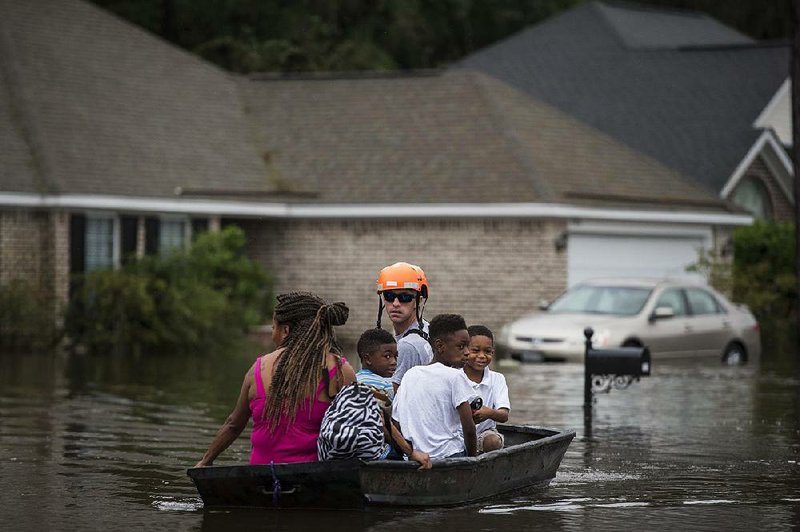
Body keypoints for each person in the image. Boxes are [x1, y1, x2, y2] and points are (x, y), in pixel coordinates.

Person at [195, 291, 356, 467]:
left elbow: (233, 425)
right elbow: (358, 426)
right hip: (313, 479)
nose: (273, 335)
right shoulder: (342, 372)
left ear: (285, 330)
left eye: (273, 328)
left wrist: (205, 461)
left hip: (260, 478)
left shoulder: (257, 370)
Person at [392, 314, 478, 459]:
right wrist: (473, 459)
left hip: (415, 459)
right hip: (450, 456)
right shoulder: (455, 376)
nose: (467, 352)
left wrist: (409, 454)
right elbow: (469, 429)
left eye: (467, 347)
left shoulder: (410, 375)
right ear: (439, 346)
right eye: (461, 346)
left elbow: (396, 423)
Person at [374, 262, 434, 392]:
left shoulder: (407, 345)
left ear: (419, 300)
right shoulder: (428, 329)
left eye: (404, 297)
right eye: (389, 296)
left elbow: (394, 399)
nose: (395, 303)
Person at [464, 325, 510, 454]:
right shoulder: (455, 376)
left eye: (487, 351)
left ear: (493, 353)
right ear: (465, 350)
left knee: (492, 441)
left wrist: (489, 413)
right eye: (476, 350)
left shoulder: (497, 379)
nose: (482, 356)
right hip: (457, 435)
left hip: (483, 434)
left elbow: (504, 415)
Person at [355, 328, 397, 406]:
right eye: (387, 356)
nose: (394, 362)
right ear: (368, 359)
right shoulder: (364, 383)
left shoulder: (391, 379)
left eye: (395, 356)